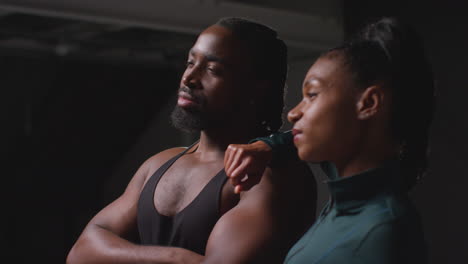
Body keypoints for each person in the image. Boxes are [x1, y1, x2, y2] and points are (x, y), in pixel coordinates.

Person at [67, 17, 316, 264]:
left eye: (212, 70)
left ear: (256, 88)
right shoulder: (156, 165)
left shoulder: (263, 176)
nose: (189, 78)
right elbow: (81, 254)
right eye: (190, 62)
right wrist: (177, 258)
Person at [225, 17, 435, 263]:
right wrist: (267, 146)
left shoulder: (381, 233)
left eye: (312, 95)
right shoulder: (347, 203)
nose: (293, 113)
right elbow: (294, 139)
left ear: (368, 103)